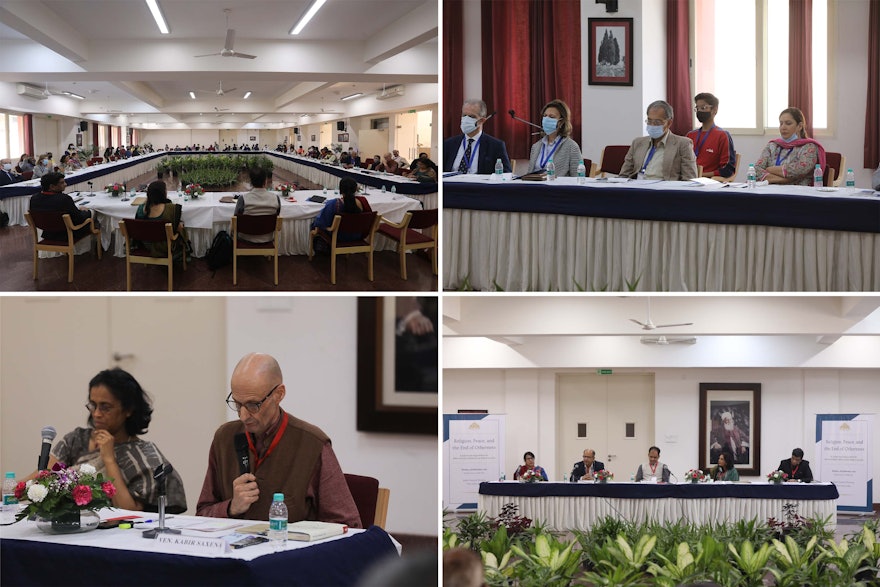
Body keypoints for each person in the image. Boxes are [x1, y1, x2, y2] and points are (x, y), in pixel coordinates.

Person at [196, 353, 361, 525]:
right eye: (237, 404)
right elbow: (201, 515)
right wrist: (231, 508)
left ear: (279, 394)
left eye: (253, 405)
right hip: (231, 550)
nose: (244, 416)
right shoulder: (225, 438)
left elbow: (348, 526)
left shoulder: (312, 444)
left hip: (291, 550)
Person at [26, 368, 187, 513]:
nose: (96, 414)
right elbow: (39, 480)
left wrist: (109, 459)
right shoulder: (76, 439)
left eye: (105, 407)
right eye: (93, 405)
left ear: (128, 409)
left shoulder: (144, 456)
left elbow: (128, 511)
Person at [619, 100, 698, 181]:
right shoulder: (637, 143)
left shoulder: (683, 144)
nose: (652, 125)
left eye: (657, 122)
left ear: (669, 123)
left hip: (664, 190)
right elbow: (624, 175)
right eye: (649, 121)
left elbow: (690, 179)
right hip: (636, 188)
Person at [754, 107, 826, 186]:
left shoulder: (809, 147)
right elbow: (756, 169)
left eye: (788, 123)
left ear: (799, 126)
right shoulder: (772, 145)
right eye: (781, 123)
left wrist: (770, 169)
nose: (783, 127)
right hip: (769, 191)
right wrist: (783, 180)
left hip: (797, 193)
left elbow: (800, 170)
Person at [443, 98, 511, 175]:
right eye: (464, 115)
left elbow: (506, 174)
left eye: (472, 116)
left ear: (482, 120)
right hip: (451, 185)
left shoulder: (496, 146)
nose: (466, 119)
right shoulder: (448, 144)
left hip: (479, 186)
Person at [28, 172, 95, 241]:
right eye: (62, 183)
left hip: (48, 234)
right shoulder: (64, 199)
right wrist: (87, 211)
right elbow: (79, 219)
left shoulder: (34, 198)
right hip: (68, 234)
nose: (65, 184)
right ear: (52, 187)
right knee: (93, 218)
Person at [526, 99, 583, 176]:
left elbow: (578, 178)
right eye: (545, 116)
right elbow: (529, 175)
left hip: (558, 187)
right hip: (536, 187)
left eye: (551, 117)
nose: (546, 119)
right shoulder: (536, 147)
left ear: (561, 122)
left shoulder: (572, 147)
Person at [686, 92, 737, 178]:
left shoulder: (722, 135)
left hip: (710, 183)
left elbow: (728, 170)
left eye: (703, 108)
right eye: (697, 108)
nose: (699, 111)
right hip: (688, 180)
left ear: (714, 110)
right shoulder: (690, 136)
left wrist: (701, 175)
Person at [310, 177, 373, 242]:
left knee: (314, 224)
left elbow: (321, 222)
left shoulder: (334, 203)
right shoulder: (363, 201)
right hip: (358, 236)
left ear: (340, 189)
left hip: (339, 237)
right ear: (355, 189)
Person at [134, 181, 187, 258]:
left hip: (145, 244)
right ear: (163, 193)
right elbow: (176, 228)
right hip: (165, 246)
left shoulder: (141, 208)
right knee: (181, 228)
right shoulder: (171, 208)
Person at [233, 166, 281, 243]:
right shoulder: (275, 198)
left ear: (250, 182)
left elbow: (236, 217)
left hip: (245, 238)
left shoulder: (243, 199)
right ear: (265, 181)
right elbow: (277, 215)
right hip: (267, 238)